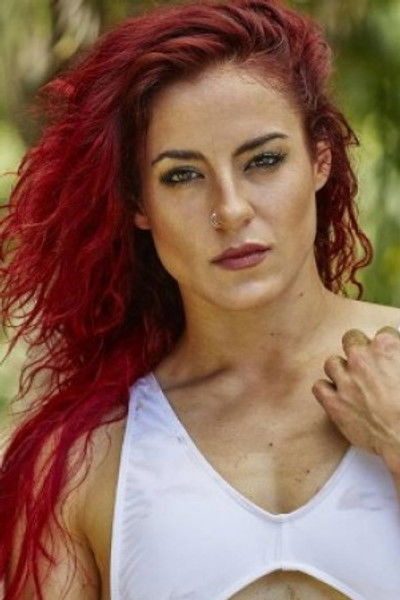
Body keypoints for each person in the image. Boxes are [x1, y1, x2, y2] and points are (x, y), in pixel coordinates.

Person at [1, 0, 400, 598]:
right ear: (138, 203)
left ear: (320, 159)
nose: (230, 209)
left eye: (264, 161)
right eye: (182, 175)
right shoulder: (86, 456)